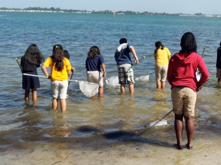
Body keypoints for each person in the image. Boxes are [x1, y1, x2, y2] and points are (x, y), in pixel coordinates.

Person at [167, 32, 209, 150]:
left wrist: (174, 85)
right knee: (189, 118)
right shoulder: (197, 57)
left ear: (182, 43)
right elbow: (206, 75)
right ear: (193, 43)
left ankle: (179, 143)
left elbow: (169, 77)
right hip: (191, 90)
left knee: (178, 117)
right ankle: (189, 144)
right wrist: (198, 85)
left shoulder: (174, 58)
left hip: (176, 90)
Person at [41, 44, 71, 112]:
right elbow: (69, 72)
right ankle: (63, 114)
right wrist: (66, 77)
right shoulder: (65, 60)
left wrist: (48, 75)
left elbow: (43, 67)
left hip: (54, 81)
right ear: (62, 51)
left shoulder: (50, 59)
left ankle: (54, 114)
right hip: (63, 81)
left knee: (55, 98)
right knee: (63, 98)